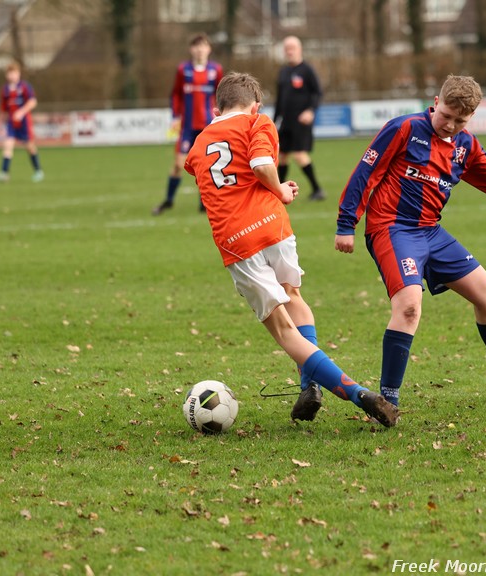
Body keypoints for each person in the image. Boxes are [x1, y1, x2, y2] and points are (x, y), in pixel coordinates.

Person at [335, 75, 486, 412]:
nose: (450, 125)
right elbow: (366, 172)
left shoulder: (465, 146)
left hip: (430, 232)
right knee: (408, 307)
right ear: (436, 102)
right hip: (392, 229)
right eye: (446, 116)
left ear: (471, 117)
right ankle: (387, 403)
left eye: (460, 121)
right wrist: (346, 223)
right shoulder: (404, 128)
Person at [184, 71, 398, 427]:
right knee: (294, 295)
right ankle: (308, 385)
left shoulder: (198, 144)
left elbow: (237, 170)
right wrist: (281, 190)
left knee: (284, 331)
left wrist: (276, 186)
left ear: (216, 108)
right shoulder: (258, 122)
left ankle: (358, 393)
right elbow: (260, 163)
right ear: (255, 106)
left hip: (236, 241)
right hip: (273, 226)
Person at [152, 33, 223, 215]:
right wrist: (175, 116)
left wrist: (221, 115)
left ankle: (203, 202)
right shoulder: (183, 70)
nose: (200, 50)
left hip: (207, 126)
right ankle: (169, 200)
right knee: (179, 164)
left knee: (207, 165)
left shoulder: (215, 70)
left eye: (203, 46)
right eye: (196, 46)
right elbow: (176, 94)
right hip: (187, 127)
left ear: (209, 49)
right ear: (191, 49)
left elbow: (220, 95)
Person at [274, 36, 325, 201]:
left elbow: (318, 92)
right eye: (287, 48)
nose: (289, 51)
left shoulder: (307, 70)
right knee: (281, 155)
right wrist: (274, 120)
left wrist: (311, 111)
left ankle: (317, 190)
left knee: (299, 154)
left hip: (301, 122)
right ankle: (278, 192)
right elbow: (280, 99)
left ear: (299, 49)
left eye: (292, 48)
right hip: (285, 122)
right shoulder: (283, 71)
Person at [0, 61, 44, 183]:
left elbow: (33, 102)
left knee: (30, 147)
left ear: (19, 74)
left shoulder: (25, 86)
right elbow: (3, 108)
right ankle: (4, 173)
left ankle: (38, 171)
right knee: (7, 145)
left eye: (14, 73)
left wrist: (21, 112)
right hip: (11, 123)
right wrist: (0, 120)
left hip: (24, 122)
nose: (12, 76)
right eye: (10, 73)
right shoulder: (5, 90)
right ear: (6, 75)